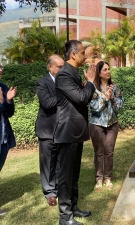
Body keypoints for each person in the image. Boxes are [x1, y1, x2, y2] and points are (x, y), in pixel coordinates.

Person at [54, 40, 96, 225]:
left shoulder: (74, 73)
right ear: (73, 54)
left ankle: (73, 208)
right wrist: (91, 82)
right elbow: (81, 98)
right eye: (82, 53)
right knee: (65, 176)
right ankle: (65, 217)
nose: (85, 56)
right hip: (67, 132)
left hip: (76, 132)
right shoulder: (64, 74)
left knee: (74, 174)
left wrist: (87, 82)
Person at [89, 61, 124, 191]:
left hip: (112, 125)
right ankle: (99, 179)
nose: (108, 71)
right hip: (96, 125)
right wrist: (105, 98)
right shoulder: (93, 88)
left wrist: (113, 97)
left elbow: (119, 107)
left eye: (109, 69)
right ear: (99, 73)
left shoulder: (115, 88)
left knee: (109, 152)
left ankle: (108, 177)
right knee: (99, 152)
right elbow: (94, 107)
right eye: (105, 70)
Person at [35, 55, 64, 207]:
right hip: (47, 129)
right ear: (50, 67)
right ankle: (50, 192)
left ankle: (58, 188)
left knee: (60, 161)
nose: (61, 69)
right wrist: (64, 92)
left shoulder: (65, 82)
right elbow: (47, 103)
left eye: (62, 66)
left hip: (62, 129)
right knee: (48, 163)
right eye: (59, 67)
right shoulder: (42, 82)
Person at [0, 63, 17, 216]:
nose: (0, 70)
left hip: (3, 138)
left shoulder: (3, 87)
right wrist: (1, 104)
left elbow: (10, 113)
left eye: (0, 67)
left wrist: (9, 101)